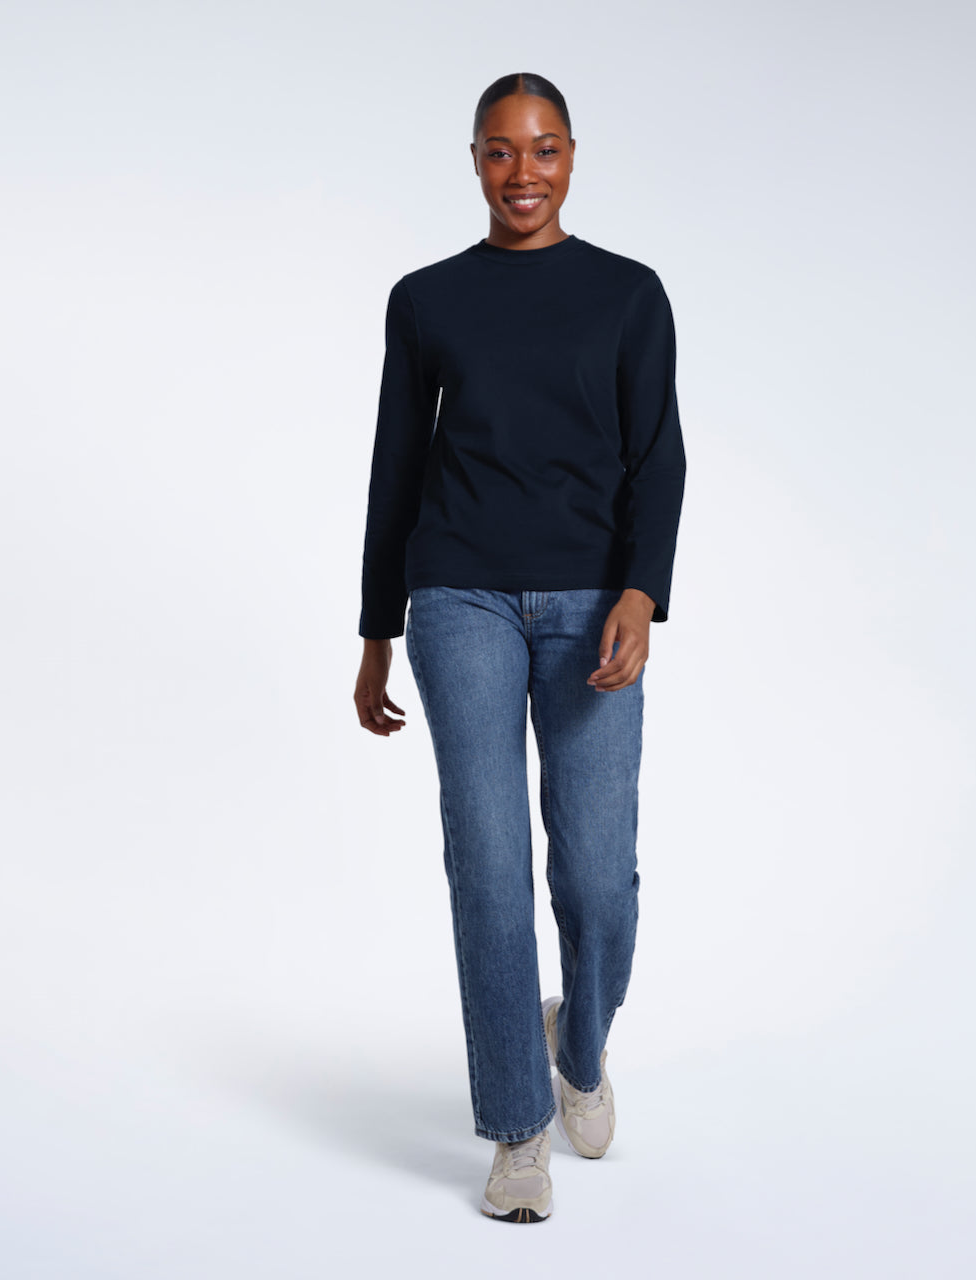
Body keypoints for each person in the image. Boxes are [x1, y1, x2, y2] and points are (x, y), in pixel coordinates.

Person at [353, 71, 687, 1224]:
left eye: (541, 150)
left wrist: (643, 589)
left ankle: (577, 1043)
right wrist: (372, 630)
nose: (522, 173)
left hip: (594, 600)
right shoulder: (425, 299)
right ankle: (514, 1129)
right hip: (461, 599)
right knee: (486, 858)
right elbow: (396, 467)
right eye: (499, 152)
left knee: (597, 875)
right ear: (474, 161)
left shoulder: (629, 295)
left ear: (572, 156)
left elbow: (660, 461)